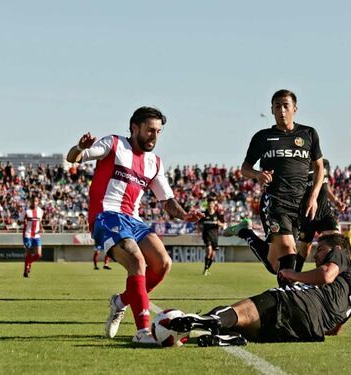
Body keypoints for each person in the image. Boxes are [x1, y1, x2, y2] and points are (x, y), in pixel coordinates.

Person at [66, 106, 202, 344]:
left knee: (163, 265)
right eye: (150, 130)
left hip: (134, 220)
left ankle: (120, 302)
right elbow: (72, 158)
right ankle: (142, 332)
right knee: (138, 262)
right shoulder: (114, 144)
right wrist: (80, 148)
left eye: (159, 132)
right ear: (134, 128)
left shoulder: (154, 163)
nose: (154, 136)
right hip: (107, 215)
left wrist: (184, 215)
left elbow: (166, 200)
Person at [169, 232, 351, 346]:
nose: (316, 255)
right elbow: (336, 329)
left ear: (337, 248)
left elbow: (326, 275)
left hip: (299, 302)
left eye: (320, 249)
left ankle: (208, 319)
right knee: (250, 323)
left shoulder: (340, 254)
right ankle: (231, 338)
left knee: (239, 311)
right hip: (309, 331)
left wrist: (292, 275)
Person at [239, 89, 325, 286]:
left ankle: (247, 234)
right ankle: (288, 299)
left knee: (275, 263)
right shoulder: (262, 137)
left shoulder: (309, 134)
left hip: (301, 204)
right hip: (275, 201)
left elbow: (319, 167)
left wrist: (313, 197)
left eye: (286, 105)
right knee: (288, 247)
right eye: (277, 106)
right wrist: (257, 175)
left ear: (295, 108)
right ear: (272, 110)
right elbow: (245, 168)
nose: (282, 110)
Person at [225, 159, 344, 277]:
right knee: (277, 265)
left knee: (336, 243)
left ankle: (329, 278)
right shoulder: (295, 165)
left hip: (324, 212)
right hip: (301, 213)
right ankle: (245, 232)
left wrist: (336, 200)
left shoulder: (323, 163)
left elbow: (324, 184)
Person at [198, 197, 224, 275]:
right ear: (207, 204)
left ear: (214, 205)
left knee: (213, 255)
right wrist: (198, 230)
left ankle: (207, 269)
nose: (210, 205)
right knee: (209, 250)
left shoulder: (217, 214)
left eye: (211, 203)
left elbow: (223, 224)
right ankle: (206, 269)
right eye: (209, 203)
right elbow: (199, 223)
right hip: (206, 235)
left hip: (215, 236)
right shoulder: (204, 214)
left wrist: (219, 223)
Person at [22, 195, 44, 278]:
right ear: (30, 201)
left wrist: (42, 228)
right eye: (33, 201)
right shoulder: (26, 211)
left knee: (38, 254)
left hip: (37, 235)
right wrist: (23, 222)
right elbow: (20, 220)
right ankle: (25, 272)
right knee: (29, 253)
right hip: (27, 234)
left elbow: (39, 221)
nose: (34, 203)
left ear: (38, 202)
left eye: (36, 201)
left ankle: (29, 263)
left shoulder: (41, 211)